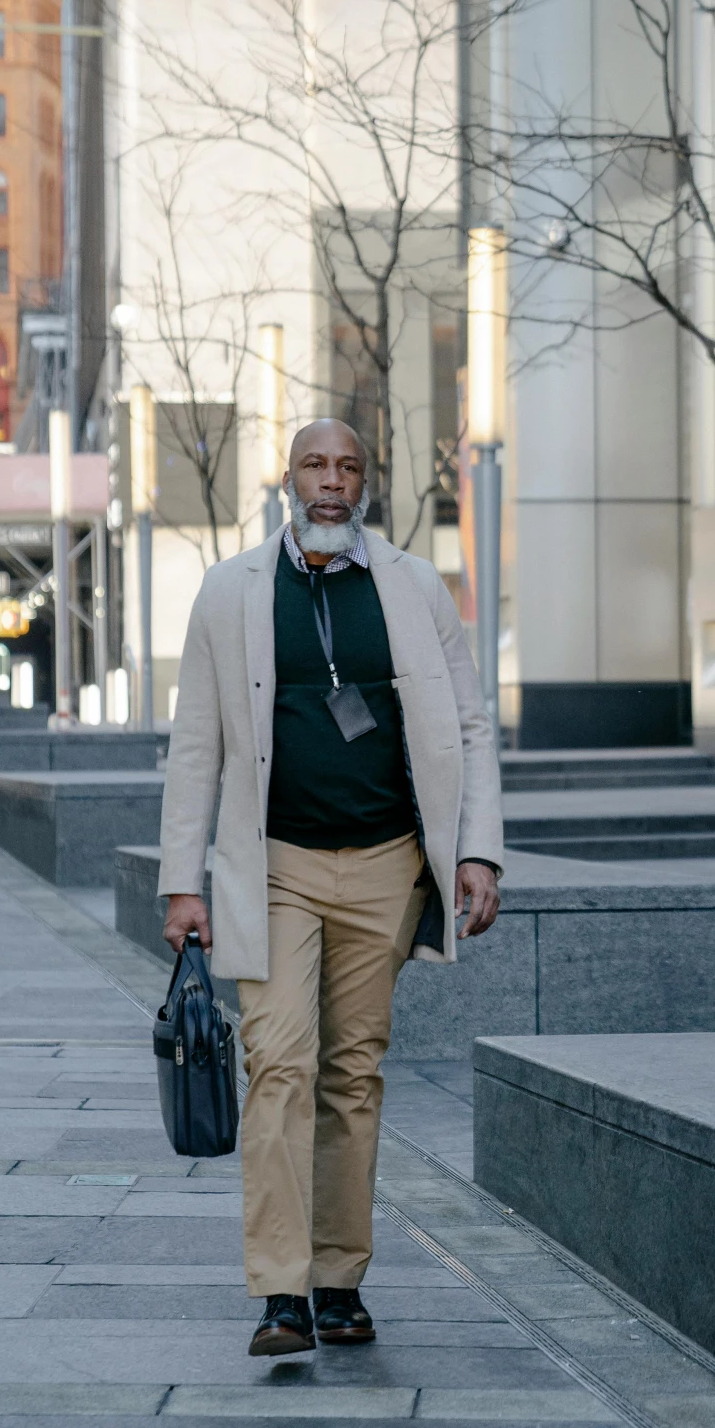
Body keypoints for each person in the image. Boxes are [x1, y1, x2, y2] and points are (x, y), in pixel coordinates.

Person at [158, 418, 503, 1358]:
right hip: (272, 866)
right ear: (288, 478)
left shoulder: (411, 584)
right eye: (315, 464)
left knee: (353, 1073)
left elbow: (469, 727)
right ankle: (279, 1292)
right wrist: (179, 881)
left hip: (387, 863)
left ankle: (338, 1279)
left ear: (365, 482)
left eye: (347, 467)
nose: (331, 481)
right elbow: (196, 745)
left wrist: (476, 852)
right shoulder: (231, 592)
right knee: (278, 1064)